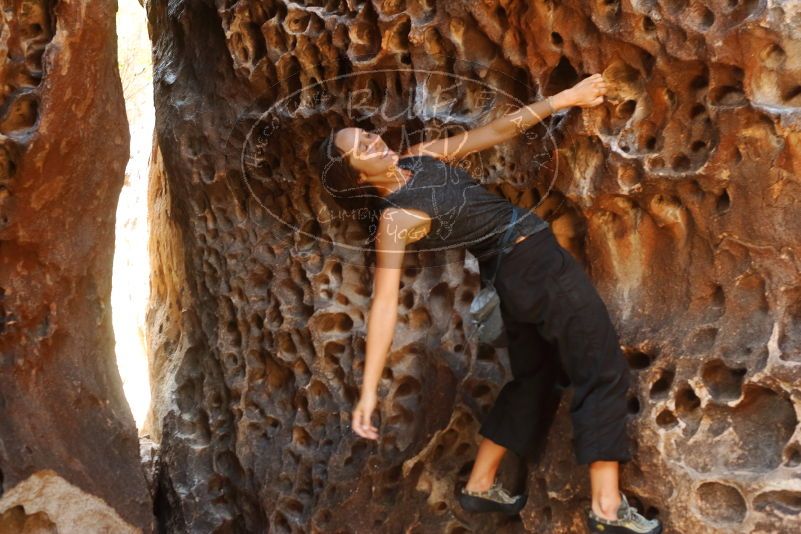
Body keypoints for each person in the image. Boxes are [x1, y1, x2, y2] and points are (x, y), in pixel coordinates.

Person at [312, 73, 662, 534]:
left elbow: (494, 132)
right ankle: (607, 507)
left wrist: (565, 98)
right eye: (363, 148)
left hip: (512, 278)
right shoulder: (395, 220)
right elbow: (383, 306)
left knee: (535, 378)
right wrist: (370, 391)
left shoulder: (420, 159)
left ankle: (481, 482)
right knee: (601, 370)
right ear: (357, 175)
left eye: (369, 135)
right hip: (534, 266)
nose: (376, 143)